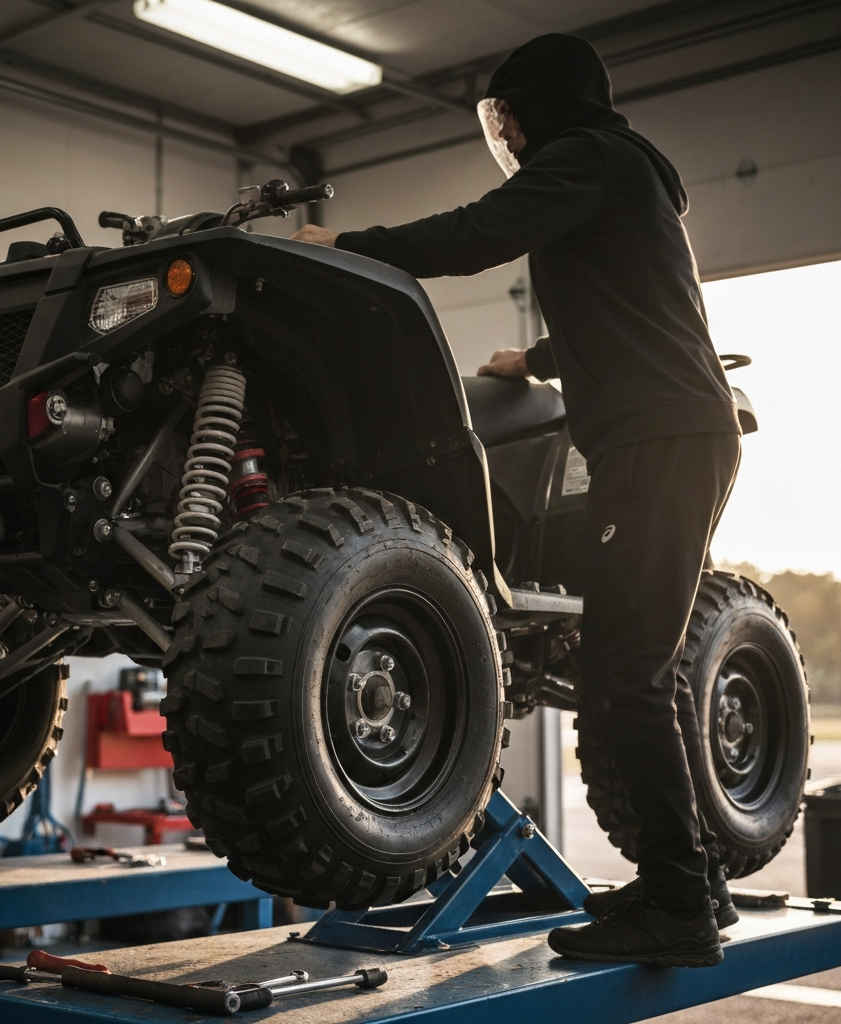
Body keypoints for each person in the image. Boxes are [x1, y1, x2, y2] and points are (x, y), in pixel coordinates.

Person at [292, 33, 741, 968]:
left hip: (658, 443)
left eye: (511, 118)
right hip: (670, 436)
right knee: (633, 673)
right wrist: (534, 359)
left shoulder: (591, 156)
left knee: (625, 679)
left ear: (545, 103)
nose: (511, 137)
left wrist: (347, 248)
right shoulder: (626, 176)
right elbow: (639, 304)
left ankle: (678, 911)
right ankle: (694, 888)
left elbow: (474, 234)